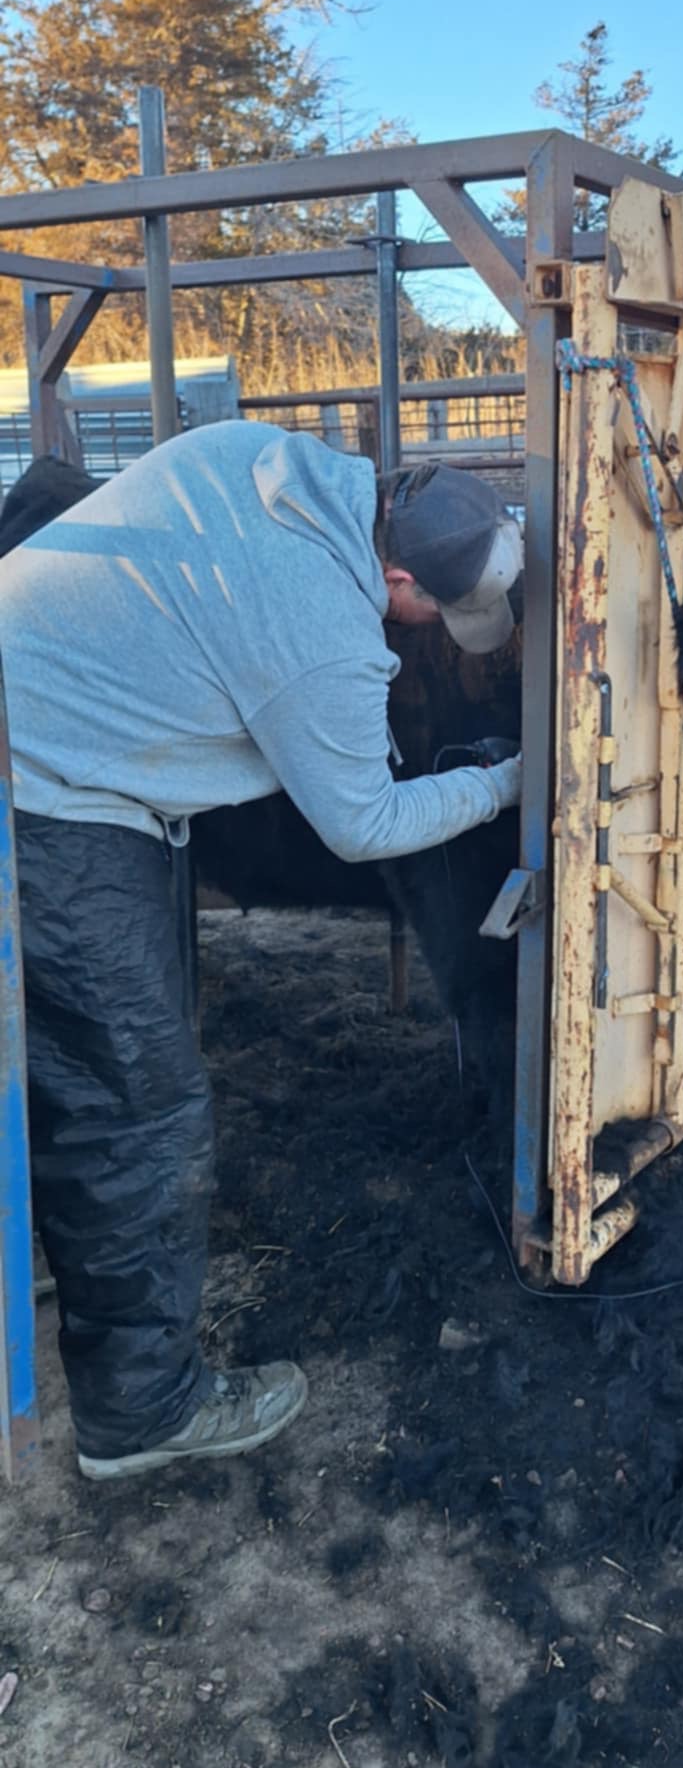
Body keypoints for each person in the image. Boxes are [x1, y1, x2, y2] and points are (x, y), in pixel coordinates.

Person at [0, 422, 524, 1478]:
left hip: (47, 732)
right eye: (440, 611)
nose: (440, 631)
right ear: (397, 575)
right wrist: (504, 785)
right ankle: (140, 1413)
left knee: (48, 1063)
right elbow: (363, 823)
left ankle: (49, 1256)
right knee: (137, 1103)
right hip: (46, 796)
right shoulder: (321, 628)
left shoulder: (268, 457)